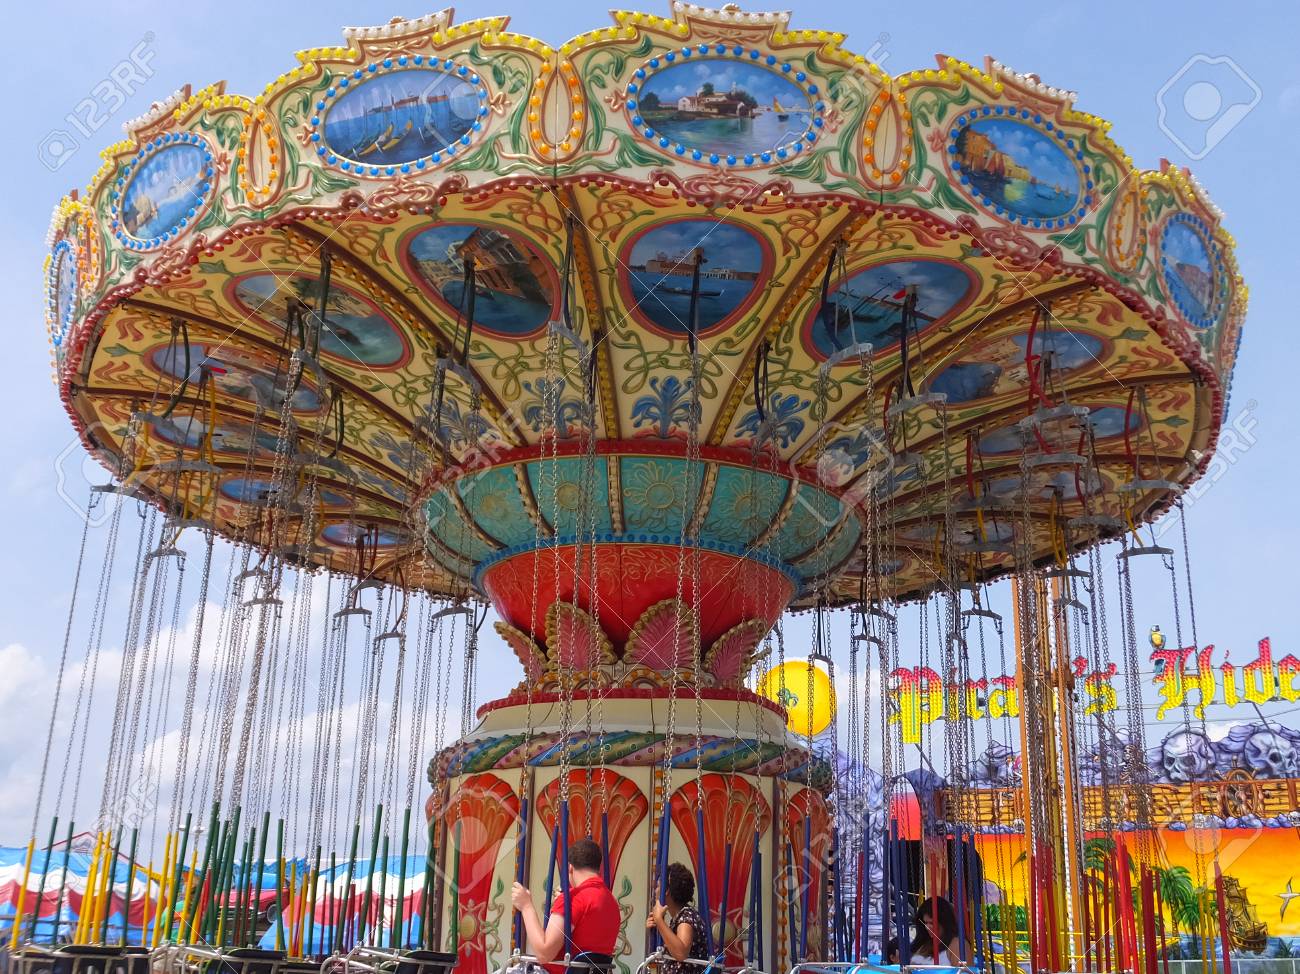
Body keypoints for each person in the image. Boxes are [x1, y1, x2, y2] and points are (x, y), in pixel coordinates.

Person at [511, 838, 621, 974]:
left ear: (570, 867)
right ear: (597, 867)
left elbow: (544, 953)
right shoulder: (612, 902)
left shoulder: (573, 899)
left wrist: (526, 906)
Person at [646, 862, 708, 974]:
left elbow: (681, 953)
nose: (655, 891)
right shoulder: (678, 918)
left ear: (666, 891)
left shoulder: (686, 917)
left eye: (658, 886)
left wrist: (660, 921)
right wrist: (658, 928)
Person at [909, 896, 958, 966]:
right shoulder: (925, 943)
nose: (927, 927)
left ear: (944, 922)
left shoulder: (956, 944)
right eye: (925, 923)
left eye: (932, 923)